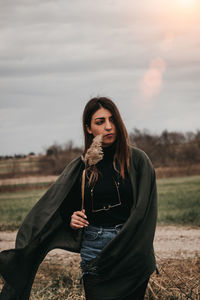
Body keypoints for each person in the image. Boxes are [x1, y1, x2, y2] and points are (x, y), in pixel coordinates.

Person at [0, 97, 157, 300]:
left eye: (112, 120)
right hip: (95, 248)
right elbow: (62, 207)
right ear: (89, 128)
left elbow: (145, 212)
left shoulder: (137, 160)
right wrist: (71, 219)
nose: (109, 127)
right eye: (100, 122)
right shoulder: (83, 166)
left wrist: (137, 250)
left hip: (131, 248)